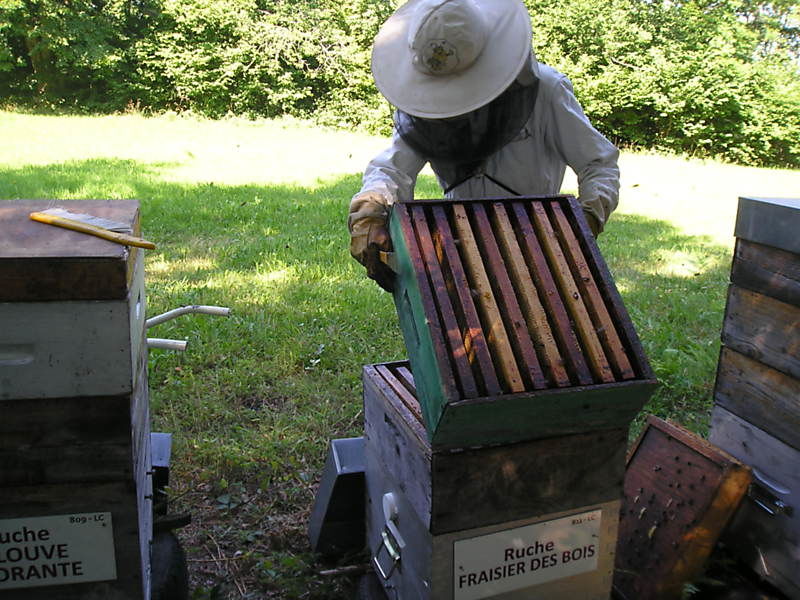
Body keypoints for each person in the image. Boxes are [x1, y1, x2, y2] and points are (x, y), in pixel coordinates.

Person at [348, 0, 620, 291]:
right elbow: (392, 169)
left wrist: (584, 220)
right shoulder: (426, 104)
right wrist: (368, 214)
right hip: (461, 246)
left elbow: (598, 163)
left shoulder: (547, 90)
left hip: (539, 243)